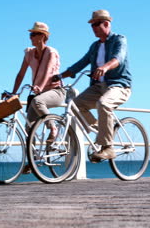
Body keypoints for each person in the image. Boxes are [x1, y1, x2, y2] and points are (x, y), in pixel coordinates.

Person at [56, 9, 132, 161]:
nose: (93, 28)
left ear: (106, 23)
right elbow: (81, 63)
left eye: (96, 24)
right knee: (75, 105)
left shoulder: (119, 40)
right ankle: (103, 130)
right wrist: (59, 76)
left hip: (118, 85)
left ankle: (108, 147)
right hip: (98, 86)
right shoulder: (95, 46)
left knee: (103, 104)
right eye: (92, 25)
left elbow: (118, 59)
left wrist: (104, 67)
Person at [8, 21, 65, 141]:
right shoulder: (29, 53)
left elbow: (48, 72)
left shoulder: (51, 52)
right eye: (31, 34)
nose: (31, 37)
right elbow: (20, 74)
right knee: (29, 127)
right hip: (39, 93)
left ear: (43, 36)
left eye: (34, 34)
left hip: (55, 91)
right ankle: (32, 156)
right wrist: (13, 92)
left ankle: (53, 128)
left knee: (37, 101)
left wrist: (39, 87)